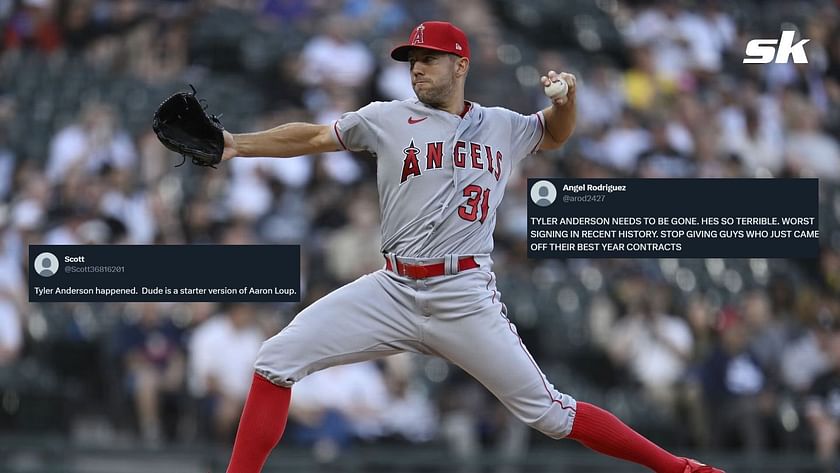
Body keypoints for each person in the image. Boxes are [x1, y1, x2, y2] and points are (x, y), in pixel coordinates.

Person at [219, 21, 724, 473]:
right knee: (275, 359)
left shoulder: (502, 125)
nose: (417, 69)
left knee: (551, 414)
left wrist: (567, 101)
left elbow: (554, 134)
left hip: (463, 294)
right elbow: (310, 138)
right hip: (391, 288)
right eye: (412, 61)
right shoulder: (387, 118)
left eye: (428, 60)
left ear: (460, 64)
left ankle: (679, 469)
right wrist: (237, 143)